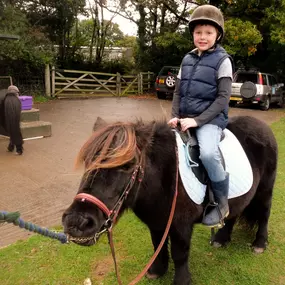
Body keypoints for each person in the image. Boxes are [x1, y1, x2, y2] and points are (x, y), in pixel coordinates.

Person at [168, 4, 233, 228]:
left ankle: (222, 203)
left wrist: (198, 121)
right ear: (192, 34)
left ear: (218, 35)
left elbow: (223, 98)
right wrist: (174, 115)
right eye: (198, 32)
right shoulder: (186, 60)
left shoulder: (223, 61)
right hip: (184, 117)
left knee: (207, 153)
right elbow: (178, 91)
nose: (202, 37)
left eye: (208, 32)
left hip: (211, 120)